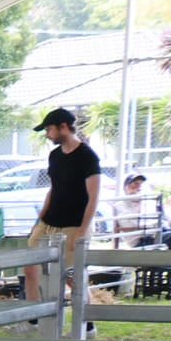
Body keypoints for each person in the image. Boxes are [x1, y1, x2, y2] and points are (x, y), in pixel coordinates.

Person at [23, 107, 100, 309]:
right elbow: (53, 189)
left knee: (72, 275)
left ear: (63, 127)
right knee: (30, 265)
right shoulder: (55, 155)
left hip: (74, 225)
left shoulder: (87, 156)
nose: (47, 135)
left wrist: (82, 231)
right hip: (49, 221)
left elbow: (93, 197)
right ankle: (32, 316)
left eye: (49, 129)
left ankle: (87, 320)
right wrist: (40, 219)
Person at [113, 173, 163, 248]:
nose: (139, 187)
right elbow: (131, 224)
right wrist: (155, 224)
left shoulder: (148, 202)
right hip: (142, 240)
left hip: (157, 234)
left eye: (140, 184)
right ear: (126, 187)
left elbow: (163, 218)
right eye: (135, 183)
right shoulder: (120, 205)